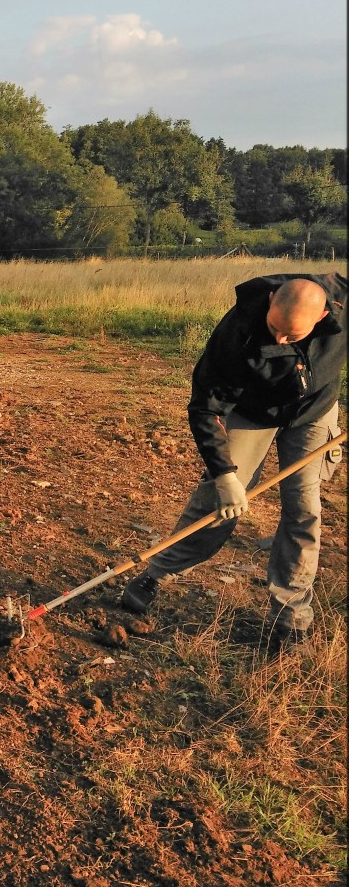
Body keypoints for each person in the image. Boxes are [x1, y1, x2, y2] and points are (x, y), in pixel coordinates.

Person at [121, 272, 346, 653]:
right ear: (272, 298)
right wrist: (225, 475)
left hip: (313, 413)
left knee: (303, 510)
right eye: (274, 329)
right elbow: (205, 408)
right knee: (219, 503)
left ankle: (291, 617)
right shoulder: (238, 330)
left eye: (291, 337)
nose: (278, 340)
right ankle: (156, 574)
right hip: (252, 412)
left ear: (323, 317)